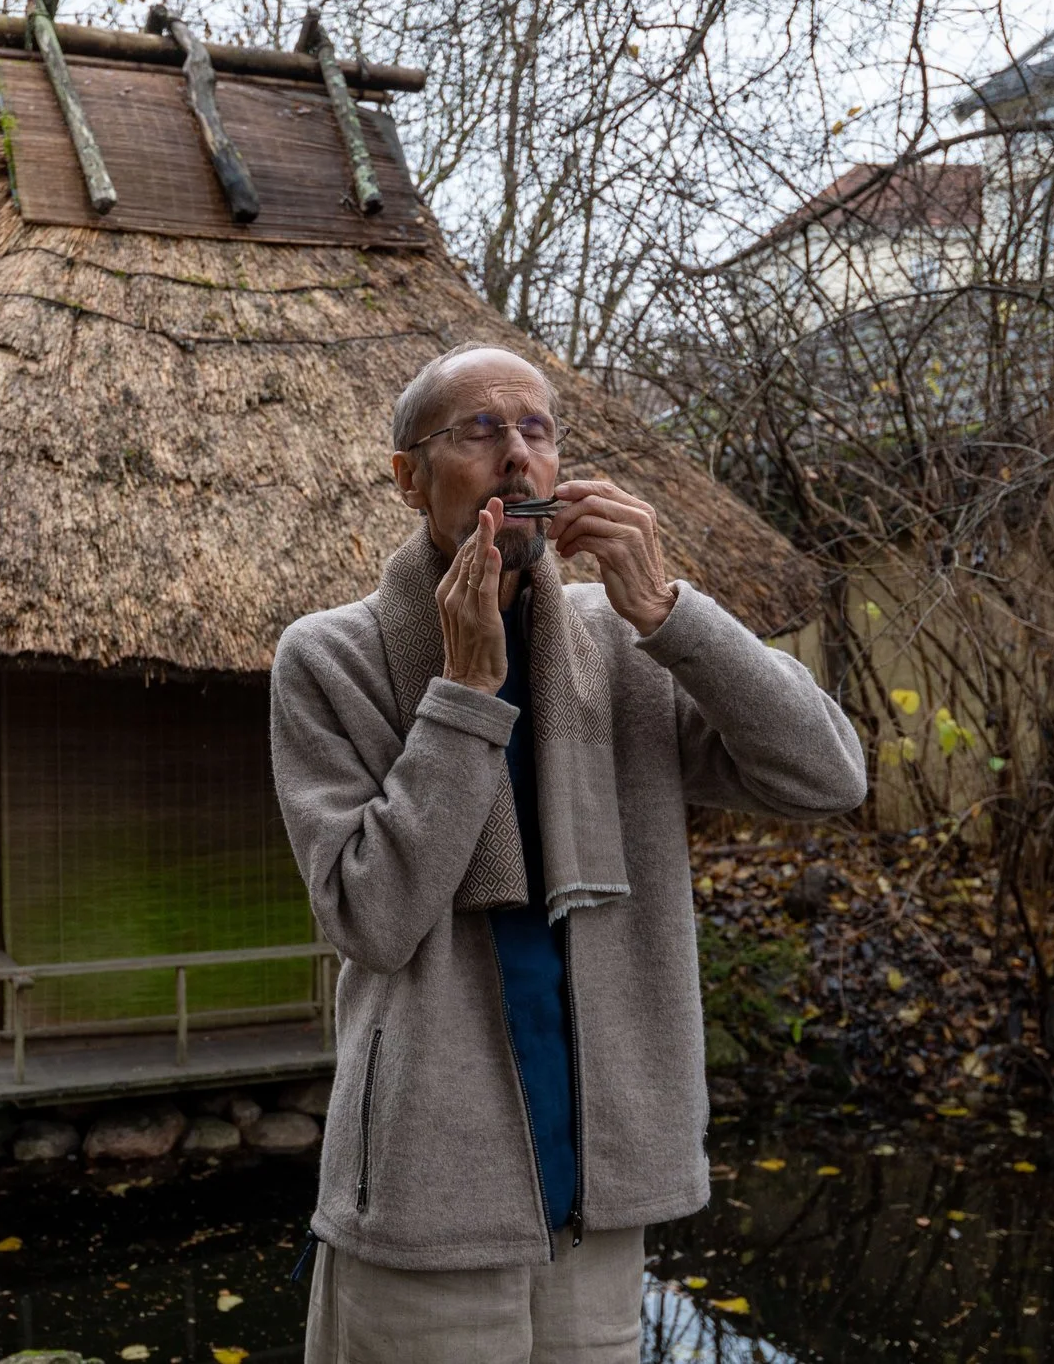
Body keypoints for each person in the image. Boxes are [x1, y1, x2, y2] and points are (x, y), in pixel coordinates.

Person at [269, 343, 867, 1363]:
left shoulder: (628, 647)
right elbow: (369, 916)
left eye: (536, 429)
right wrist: (459, 695)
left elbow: (829, 776)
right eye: (479, 429)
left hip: (597, 1192)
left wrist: (675, 615)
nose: (515, 454)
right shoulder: (330, 658)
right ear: (407, 476)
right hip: (423, 1197)